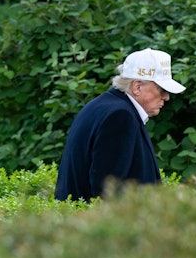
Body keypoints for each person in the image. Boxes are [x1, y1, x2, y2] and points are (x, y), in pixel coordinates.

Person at [54, 48, 186, 202]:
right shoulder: (120, 116)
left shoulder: (103, 106)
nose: (167, 97)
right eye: (162, 89)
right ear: (137, 87)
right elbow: (107, 192)